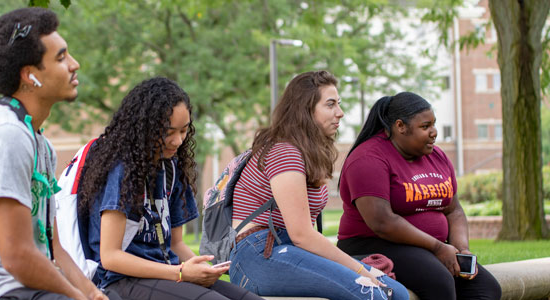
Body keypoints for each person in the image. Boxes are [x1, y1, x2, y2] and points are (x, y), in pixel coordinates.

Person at [0, 7, 111, 300]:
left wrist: (93, 294)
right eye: (61, 58)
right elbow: (18, 257)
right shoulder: (3, 135)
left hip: (25, 288)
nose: (74, 64)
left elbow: (53, 248)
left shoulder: (39, 143)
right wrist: (77, 297)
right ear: (30, 76)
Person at [77, 77, 263, 300]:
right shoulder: (122, 169)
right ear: (143, 129)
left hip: (167, 273)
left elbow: (175, 244)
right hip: (121, 281)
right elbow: (110, 256)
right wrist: (181, 272)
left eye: (184, 131)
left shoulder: (171, 167)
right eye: (168, 132)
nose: (178, 141)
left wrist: (202, 269)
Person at [228, 70, 409, 300]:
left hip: (288, 248)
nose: (340, 113)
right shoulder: (284, 152)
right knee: (369, 292)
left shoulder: (305, 153)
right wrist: (362, 270)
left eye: (339, 104)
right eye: (330, 104)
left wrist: (361, 270)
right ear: (306, 109)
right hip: (256, 254)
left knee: (397, 293)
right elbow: (302, 234)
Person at [337, 92, 502, 300]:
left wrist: (461, 249)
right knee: (439, 282)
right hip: (376, 243)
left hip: (430, 248)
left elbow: (454, 209)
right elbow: (382, 222)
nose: (434, 132)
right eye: (425, 127)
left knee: (486, 288)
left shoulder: (437, 156)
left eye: (434, 125)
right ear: (400, 126)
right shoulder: (369, 158)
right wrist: (438, 247)